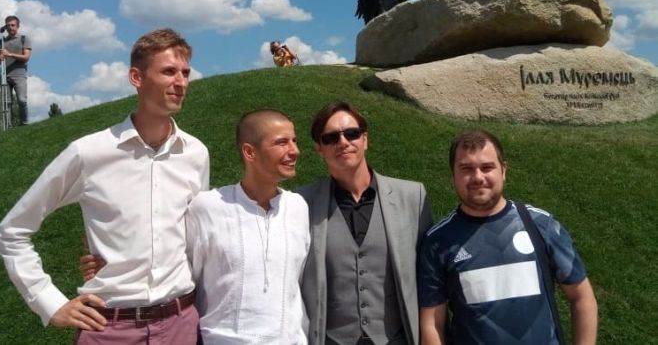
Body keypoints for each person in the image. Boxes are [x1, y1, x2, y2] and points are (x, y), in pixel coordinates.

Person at [0, 28, 210, 344]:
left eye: (185, 73)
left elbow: (195, 238)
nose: (181, 82)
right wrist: (49, 302)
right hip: (110, 329)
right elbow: (12, 232)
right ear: (136, 77)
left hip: (182, 325)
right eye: (168, 72)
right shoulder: (89, 153)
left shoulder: (196, 154)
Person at [418, 129, 598, 345]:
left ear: (503, 170)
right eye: (466, 169)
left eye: (487, 167)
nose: (478, 177)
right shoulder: (438, 241)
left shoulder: (540, 224)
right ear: (453, 176)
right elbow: (432, 324)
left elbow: (582, 297)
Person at [299, 101, 432, 345]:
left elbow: (429, 278)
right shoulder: (302, 204)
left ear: (365, 139)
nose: (343, 142)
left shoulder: (412, 197)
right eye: (331, 138)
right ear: (319, 148)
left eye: (351, 133)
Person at [186, 109, 310, 344]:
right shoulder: (207, 208)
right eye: (282, 142)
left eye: (294, 141)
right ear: (250, 152)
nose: (295, 150)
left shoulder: (298, 207)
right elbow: (182, 277)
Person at [0, 15, 32, 125]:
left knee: (22, 100)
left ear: (17, 26)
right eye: (8, 25)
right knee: (7, 103)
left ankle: (24, 124)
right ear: (5, 27)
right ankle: (9, 127)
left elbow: (26, 57)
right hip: (4, 75)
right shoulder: (1, 42)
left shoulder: (24, 39)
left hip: (19, 75)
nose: (10, 27)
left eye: (13, 25)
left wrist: (9, 54)